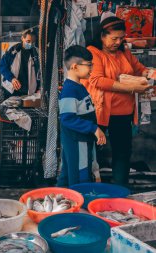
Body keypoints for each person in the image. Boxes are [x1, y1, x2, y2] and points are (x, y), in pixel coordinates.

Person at [83, 16, 152, 186]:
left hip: (124, 112)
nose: (118, 42)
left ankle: (119, 189)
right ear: (102, 36)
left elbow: (139, 69)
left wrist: (150, 74)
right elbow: (97, 80)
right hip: (101, 112)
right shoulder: (94, 52)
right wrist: (132, 88)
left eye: (121, 38)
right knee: (92, 152)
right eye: (114, 38)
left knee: (122, 152)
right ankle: (89, 188)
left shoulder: (125, 52)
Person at [57, 45, 106, 187]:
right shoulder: (70, 90)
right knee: (81, 175)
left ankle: (60, 203)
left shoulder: (79, 86)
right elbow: (67, 118)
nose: (91, 69)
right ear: (74, 67)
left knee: (67, 175)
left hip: (80, 139)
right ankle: (80, 204)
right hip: (78, 141)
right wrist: (93, 128)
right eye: (89, 65)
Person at [0, 28, 40, 99]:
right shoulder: (13, 51)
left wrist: (39, 87)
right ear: (22, 38)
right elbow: (2, 67)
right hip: (11, 90)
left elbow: (39, 73)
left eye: (33, 42)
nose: (30, 44)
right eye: (28, 41)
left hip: (29, 93)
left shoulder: (36, 53)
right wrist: (12, 79)